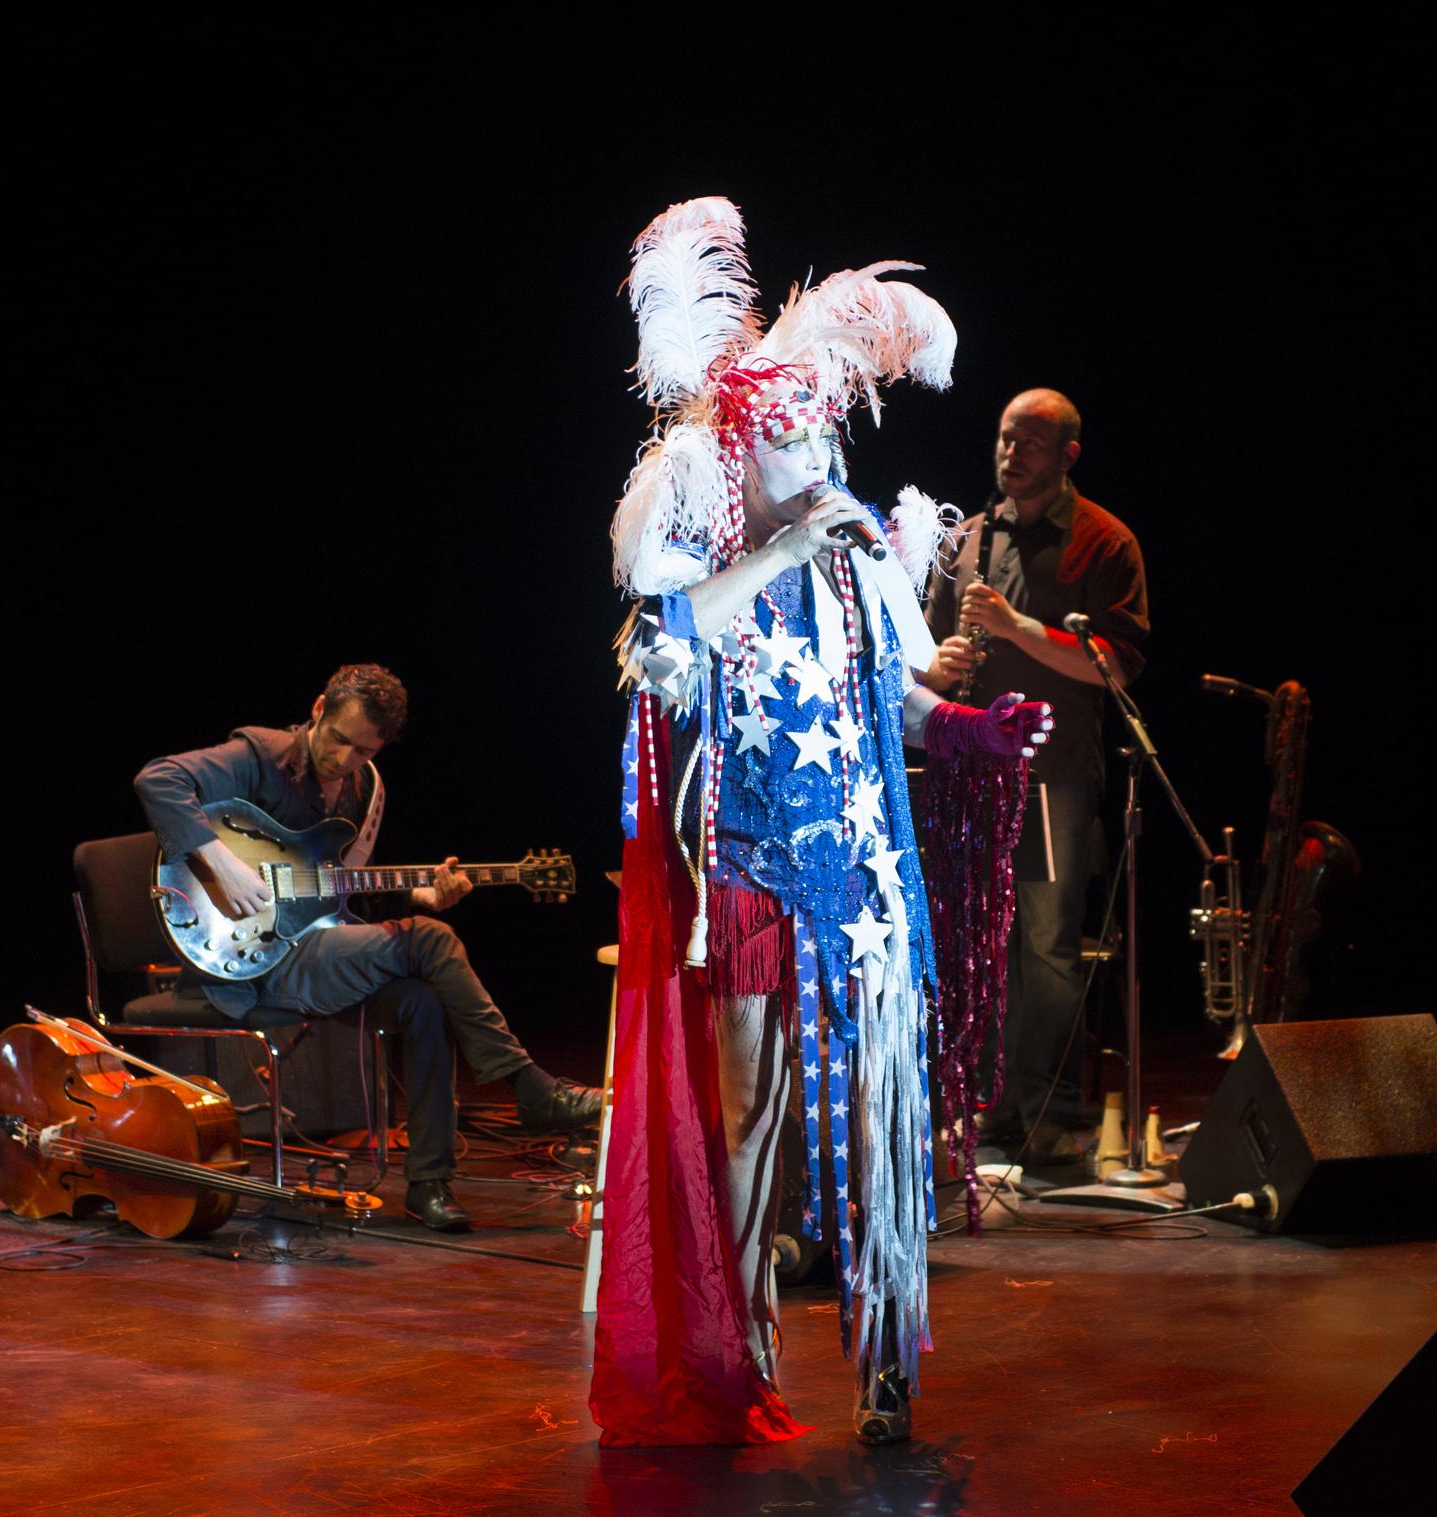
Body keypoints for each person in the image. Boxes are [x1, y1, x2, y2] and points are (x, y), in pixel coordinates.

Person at [592, 197, 1048, 1449]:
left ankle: (889, 1358)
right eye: (793, 444)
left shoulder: (860, 562)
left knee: (876, 1118)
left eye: (823, 440)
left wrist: (970, 731)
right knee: (748, 1124)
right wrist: (784, 547)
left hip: (859, 879)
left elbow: (893, 706)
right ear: (743, 454)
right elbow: (659, 637)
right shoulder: (713, 550)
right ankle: (735, 1348)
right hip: (748, 881)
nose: (819, 460)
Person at [133, 662, 603, 1233]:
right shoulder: (260, 754)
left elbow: (340, 905)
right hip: (249, 962)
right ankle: (530, 1088)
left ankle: (429, 1184)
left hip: (314, 953)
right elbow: (157, 779)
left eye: (362, 751)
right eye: (338, 739)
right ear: (317, 710)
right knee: (432, 942)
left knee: (422, 1001)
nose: (343, 759)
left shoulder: (363, 791)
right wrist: (220, 862)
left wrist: (422, 896)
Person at [920, 389, 1149, 1160]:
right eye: (1003, 437)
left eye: (1029, 442)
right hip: (967, 771)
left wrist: (1018, 627)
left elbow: (1114, 666)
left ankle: (1043, 1104)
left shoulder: (1104, 541)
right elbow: (921, 663)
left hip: (1050, 772)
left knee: (1046, 944)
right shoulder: (968, 539)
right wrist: (938, 663)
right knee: (975, 938)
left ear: (1068, 456)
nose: (1010, 453)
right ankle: (982, 1102)